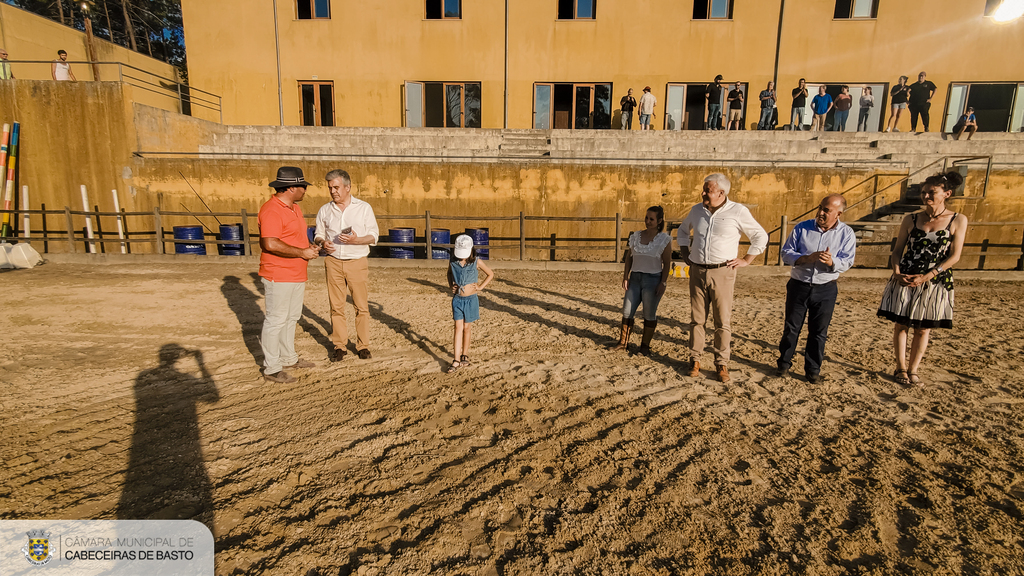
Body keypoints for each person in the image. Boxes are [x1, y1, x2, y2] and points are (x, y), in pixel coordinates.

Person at [877, 171, 968, 387]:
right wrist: (897, 272)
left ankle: (913, 369)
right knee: (901, 324)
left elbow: (955, 256)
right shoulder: (911, 218)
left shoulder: (958, 219)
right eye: (924, 192)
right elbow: (898, 250)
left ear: (946, 194)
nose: (926, 197)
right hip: (906, 277)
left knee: (923, 328)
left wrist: (928, 276)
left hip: (935, 280)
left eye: (931, 193)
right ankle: (900, 368)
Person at [677, 173, 768, 382]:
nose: (703, 193)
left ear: (721, 192)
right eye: (704, 189)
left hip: (723, 271)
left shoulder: (738, 211)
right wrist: (684, 253)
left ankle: (721, 363)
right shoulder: (696, 210)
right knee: (697, 319)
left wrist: (746, 259)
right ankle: (695, 359)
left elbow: (760, 235)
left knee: (722, 320)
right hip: (697, 270)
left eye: (707, 190)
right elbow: (683, 231)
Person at [776, 195, 857, 383]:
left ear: (838, 213)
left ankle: (813, 370)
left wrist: (832, 262)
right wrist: (806, 258)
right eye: (820, 207)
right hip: (799, 285)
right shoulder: (802, 227)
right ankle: (784, 364)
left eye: (826, 210)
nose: (821, 212)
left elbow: (847, 260)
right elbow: (786, 253)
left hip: (826, 288)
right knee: (791, 327)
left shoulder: (846, 233)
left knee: (819, 331)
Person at [258, 166, 320, 383]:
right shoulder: (272, 210)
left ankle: (288, 357)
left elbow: (293, 238)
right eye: (303, 186)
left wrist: (308, 246)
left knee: (291, 318)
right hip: (279, 273)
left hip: (295, 273)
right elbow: (270, 242)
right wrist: (302, 252)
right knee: (276, 320)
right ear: (292, 187)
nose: (305, 190)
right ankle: (272, 368)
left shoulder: (294, 208)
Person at [314, 169, 380, 362]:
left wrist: (356, 240)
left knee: (361, 306)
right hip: (333, 262)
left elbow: (374, 236)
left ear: (347, 187)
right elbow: (318, 234)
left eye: (336, 187)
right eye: (330, 188)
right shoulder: (325, 210)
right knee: (336, 306)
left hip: (357, 261)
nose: (333, 191)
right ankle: (339, 346)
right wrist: (322, 242)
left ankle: (363, 346)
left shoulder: (364, 208)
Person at [613, 206, 672, 356]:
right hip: (634, 279)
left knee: (649, 314)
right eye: (646, 218)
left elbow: (667, 263)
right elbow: (629, 258)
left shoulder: (664, 240)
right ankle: (622, 342)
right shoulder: (636, 236)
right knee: (627, 311)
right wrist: (625, 277)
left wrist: (663, 282)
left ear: (659, 221)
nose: (647, 221)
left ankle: (644, 346)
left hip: (653, 280)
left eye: (651, 219)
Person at [446, 235, 494, 373]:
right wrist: (451, 285)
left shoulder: (476, 262)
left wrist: (480, 287)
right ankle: (455, 360)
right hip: (457, 300)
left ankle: (464, 355)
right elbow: (449, 273)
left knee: (467, 328)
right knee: (457, 328)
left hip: (471, 300)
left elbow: (490, 274)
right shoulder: (452, 261)